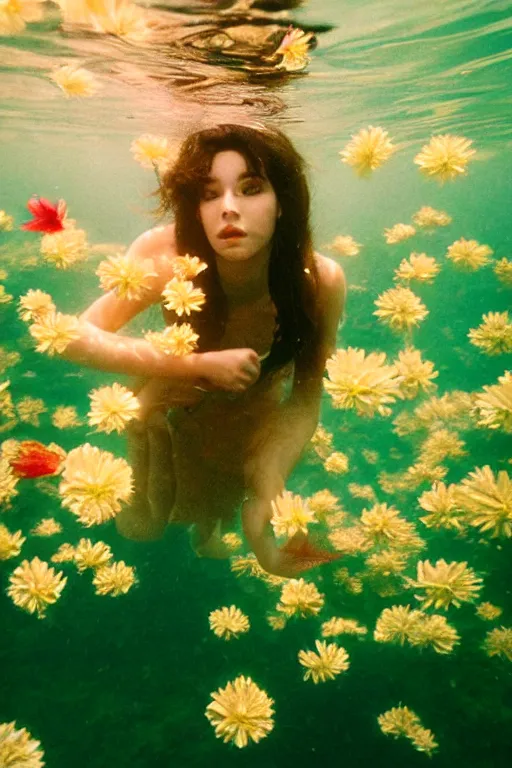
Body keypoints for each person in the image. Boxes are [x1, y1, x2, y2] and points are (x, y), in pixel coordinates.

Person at [64, 123, 346, 577]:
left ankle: (208, 535)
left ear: (283, 203)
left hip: (252, 419)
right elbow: (73, 336)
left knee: (217, 503)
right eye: (209, 193)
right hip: (169, 407)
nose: (228, 209)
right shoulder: (168, 253)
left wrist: (269, 481)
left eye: (250, 188)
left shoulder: (320, 282)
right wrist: (192, 366)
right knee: (143, 527)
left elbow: (305, 397)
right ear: (194, 208)